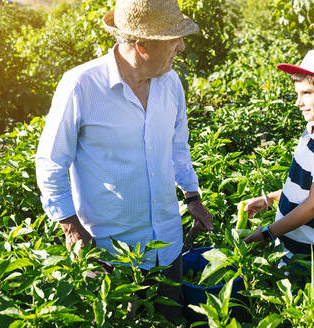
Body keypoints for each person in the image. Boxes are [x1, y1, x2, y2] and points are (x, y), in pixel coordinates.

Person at [35, 0, 213, 321]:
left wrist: (192, 196)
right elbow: (51, 162)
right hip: (107, 254)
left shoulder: (170, 83)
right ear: (142, 44)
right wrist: (72, 230)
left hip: (167, 247)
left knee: (170, 320)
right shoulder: (81, 85)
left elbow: (178, 147)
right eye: (174, 39)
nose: (182, 46)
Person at [244, 49, 314, 275]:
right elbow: (303, 187)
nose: (298, 102)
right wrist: (269, 200)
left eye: (306, 93)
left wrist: (267, 232)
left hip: (311, 259)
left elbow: (313, 206)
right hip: (291, 248)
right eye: (297, 93)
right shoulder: (313, 129)